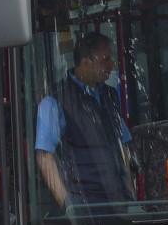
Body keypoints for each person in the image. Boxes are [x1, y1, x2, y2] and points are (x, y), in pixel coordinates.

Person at [35, 31, 135, 212]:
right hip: (85, 207)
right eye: (106, 59)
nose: (112, 65)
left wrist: (130, 194)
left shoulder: (110, 95)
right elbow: (44, 157)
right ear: (85, 63)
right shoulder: (54, 100)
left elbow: (123, 147)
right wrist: (69, 206)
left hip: (119, 203)